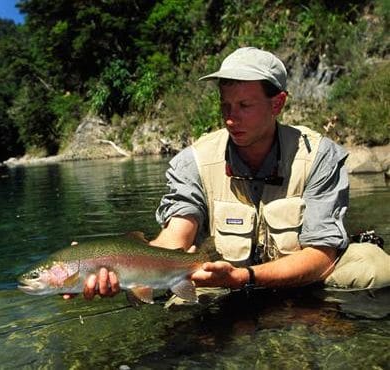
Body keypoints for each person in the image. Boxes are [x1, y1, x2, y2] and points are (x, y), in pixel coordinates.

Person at [65, 46, 390, 301]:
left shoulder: (320, 155)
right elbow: (174, 240)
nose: (231, 119)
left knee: (378, 270)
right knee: (179, 309)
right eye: (225, 106)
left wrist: (246, 278)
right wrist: (108, 262)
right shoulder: (192, 161)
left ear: (277, 104)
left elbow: (321, 256)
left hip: (299, 279)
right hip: (221, 281)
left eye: (244, 106)